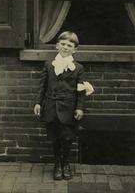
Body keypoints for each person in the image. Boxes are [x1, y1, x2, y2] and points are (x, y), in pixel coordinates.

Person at [34, 31, 94, 180]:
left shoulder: (78, 68)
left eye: (69, 45)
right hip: (51, 106)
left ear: (75, 49)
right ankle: (57, 164)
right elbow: (42, 86)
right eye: (63, 44)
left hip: (68, 107)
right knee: (54, 136)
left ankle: (66, 163)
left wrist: (79, 107)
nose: (65, 47)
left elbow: (81, 89)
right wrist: (38, 103)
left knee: (67, 137)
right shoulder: (49, 65)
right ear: (57, 46)